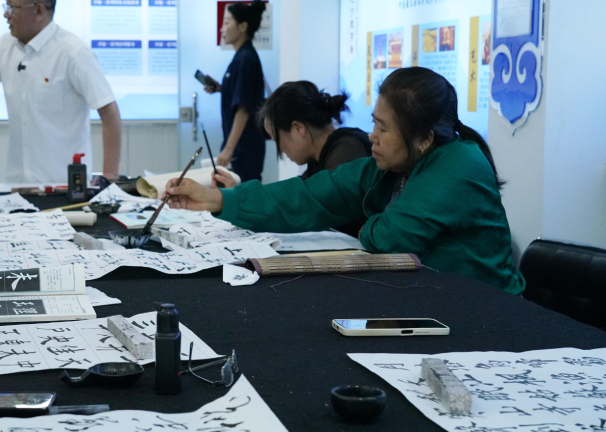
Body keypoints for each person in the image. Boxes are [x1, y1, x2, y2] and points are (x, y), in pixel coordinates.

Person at [166, 67, 526, 295]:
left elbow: (388, 237)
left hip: (486, 314)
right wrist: (218, 200)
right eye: (374, 123)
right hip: (431, 301)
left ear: (424, 138)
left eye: (384, 128)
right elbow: (309, 196)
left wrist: (367, 225)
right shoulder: (390, 166)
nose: (372, 137)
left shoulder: (459, 165)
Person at [0, 0, 122, 183]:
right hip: (17, 183)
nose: (6, 15)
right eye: (6, 6)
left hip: (64, 183)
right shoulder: (5, 45)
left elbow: (109, 110)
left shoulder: (73, 52)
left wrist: (110, 176)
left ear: (39, 11)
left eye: (12, 7)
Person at [213, 81, 371, 237]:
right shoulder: (323, 156)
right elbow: (293, 195)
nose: (280, 149)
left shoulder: (348, 150)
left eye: (277, 139)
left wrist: (234, 200)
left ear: (298, 129)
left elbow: (304, 204)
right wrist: (237, 194)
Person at [201, 0, 267, 182]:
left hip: (244, 149)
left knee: (242, 197)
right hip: (240, 147)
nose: (222, 29)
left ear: (243, 26)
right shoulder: (242, 56)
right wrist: (221, 89)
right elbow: (243, 92)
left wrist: (228, 149)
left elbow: (244, 108)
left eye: (227, 22)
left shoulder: (246, 59)